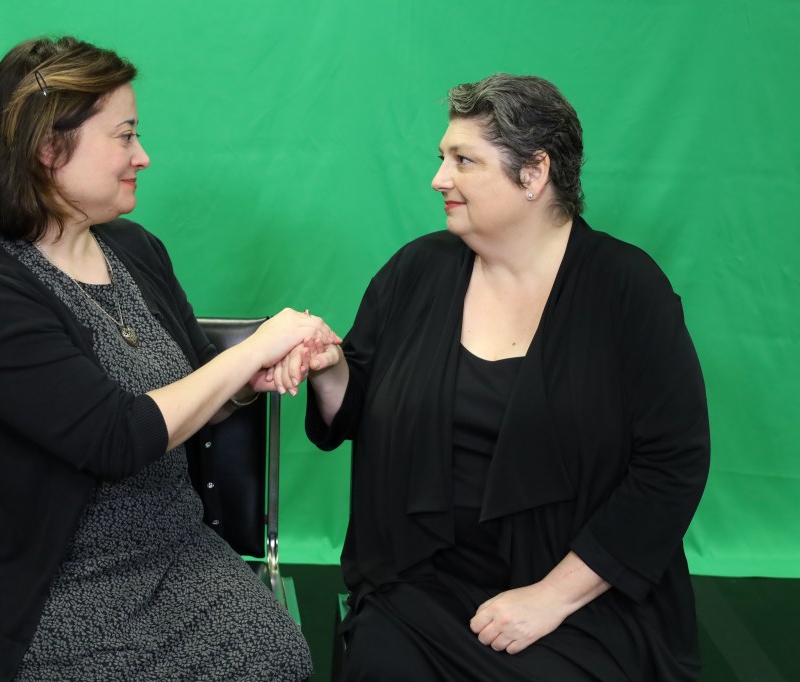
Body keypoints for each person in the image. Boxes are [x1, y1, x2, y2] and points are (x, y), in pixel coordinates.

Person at [0, 36, 327, 681]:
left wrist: (247, 382)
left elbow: (191, 385)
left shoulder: (134, 247)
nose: (142, 157)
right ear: (48, 150)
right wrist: (259, 344)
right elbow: (117, 437)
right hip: (33, 584)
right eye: (124, 136)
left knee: (279, 662)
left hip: (172, 555)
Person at [299, 74, 710, 680]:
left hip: (583, 599)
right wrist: (329, 369)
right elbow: (352, 413)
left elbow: (672, 467)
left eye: (463, 160)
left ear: (534, 173)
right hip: (421, 584)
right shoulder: (417, 270)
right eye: (442, 158)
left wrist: (549, 599)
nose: (439, 178)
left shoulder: (628, 290)